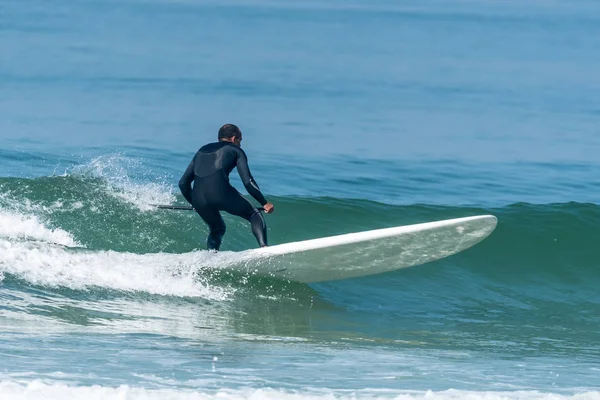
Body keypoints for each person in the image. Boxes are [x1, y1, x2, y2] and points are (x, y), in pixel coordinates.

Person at [178, 124, 274, 251]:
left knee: (217, 228)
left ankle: (211, 256)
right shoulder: (236, 150)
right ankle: (264, 248)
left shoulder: (202, 150)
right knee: (254, 214)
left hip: (198, 198)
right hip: (220, 193)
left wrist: (195, 203)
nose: (240, 144)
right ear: (234, 138)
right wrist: (264, 203)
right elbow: (248, 182)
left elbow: (183, 183)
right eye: (240, 140)